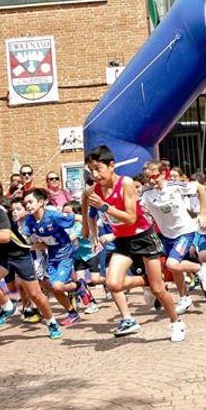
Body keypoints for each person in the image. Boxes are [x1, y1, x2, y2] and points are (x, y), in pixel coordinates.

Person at [85, 146, 186, 342]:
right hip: (122, 240)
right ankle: (149, 281)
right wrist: (88, 229)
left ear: (112, 165)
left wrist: (105, 207)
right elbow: (85, 199)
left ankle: (176, 322)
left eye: (98, 169)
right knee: (113, 283)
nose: (95, 174)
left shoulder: (126, 183)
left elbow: (131, 218)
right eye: (91, 170)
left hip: (143, 237)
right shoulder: (95, 188)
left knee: (159, 290)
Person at [0, 189, 63, 339]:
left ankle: (52, 322)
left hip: (20, 255)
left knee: (35, 295)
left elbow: (4, 236)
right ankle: (7, 307)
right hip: (1, 256)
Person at [139, 160, 206, 311]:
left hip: (185, 231)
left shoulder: (174, 186)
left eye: (155, 176)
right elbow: (132, 203)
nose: (152, 181)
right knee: (175, 268)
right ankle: (184, 298)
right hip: (167, 235)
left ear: (162, 174)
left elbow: (200, 188)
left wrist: (203, 213)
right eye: (148, 178)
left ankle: (201, 268)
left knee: (171, 264)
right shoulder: (146, 193)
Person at [21, 188, 88, 326]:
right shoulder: (29, 220)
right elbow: (24, 237)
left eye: (30, 202)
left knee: (57, 286)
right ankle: (72, 313)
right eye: (25, 203)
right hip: (51, 254)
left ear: (40, 202)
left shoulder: (53, 215)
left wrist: (90, 231)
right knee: (49, 285)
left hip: (66, 252)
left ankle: (79, 285)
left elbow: (79, 217)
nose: (27, 205)